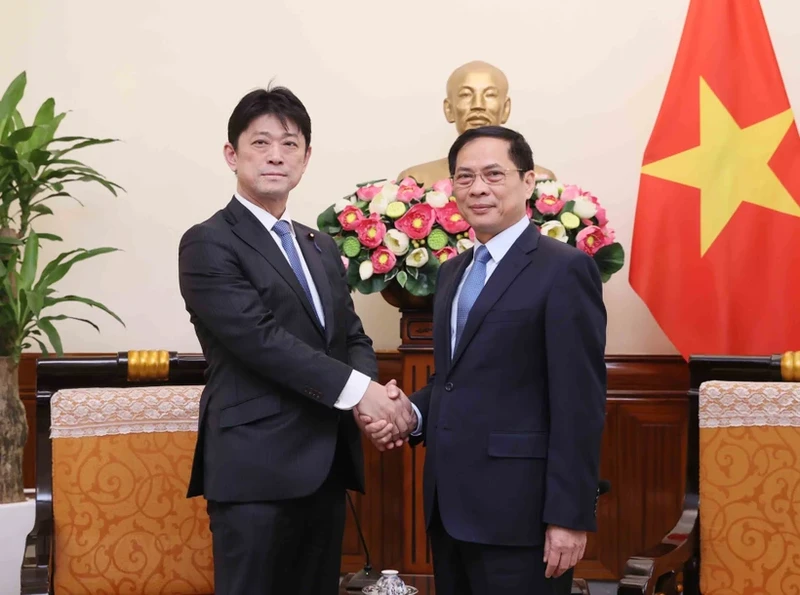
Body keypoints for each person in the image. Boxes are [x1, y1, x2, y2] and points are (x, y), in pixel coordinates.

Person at [178, 86, 415, 595]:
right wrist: (362, 393)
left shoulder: (320, 244)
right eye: (260, 143)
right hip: (254, 468)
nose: (275, 156)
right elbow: (261, 341)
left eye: (289, 144)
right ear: (231, 155)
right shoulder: (208, 241)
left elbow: (351, 334)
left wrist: (367, 405)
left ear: (306, 158)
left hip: (324, 465)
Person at [361, 126, 607, 594]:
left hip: (524, 517)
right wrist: (408, 413)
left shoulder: (564, 269)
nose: (478, 188)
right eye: (465, 176)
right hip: (450, 509)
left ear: (529, 181)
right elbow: (454, 380)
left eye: (494, 174)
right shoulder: (454, 272)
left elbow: (581, 402)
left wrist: (569, 517)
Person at [396, 60, 557, 188]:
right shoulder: (416, 181)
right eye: (465, 94)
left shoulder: (541, 182)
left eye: (490, 95)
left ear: (506, 108)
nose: (478, 104)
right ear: (449, 108)